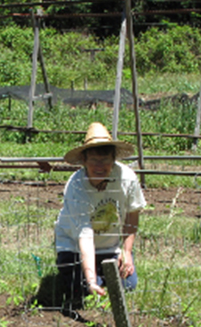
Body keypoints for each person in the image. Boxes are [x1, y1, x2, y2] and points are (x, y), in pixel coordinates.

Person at [54, 122, 146, 316]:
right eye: (94, 160)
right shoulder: (76, 186)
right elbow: (84, 236)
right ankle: (94, 277)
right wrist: (91, 280)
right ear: (84, 161)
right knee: (78, 288)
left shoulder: (127, 178)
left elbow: (132, 214)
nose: (99, 166)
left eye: (105, 160)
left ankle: (104, 271)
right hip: (74, 246)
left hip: (110, 246)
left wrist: (127, 252)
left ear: (113, 160)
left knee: (128, 285)